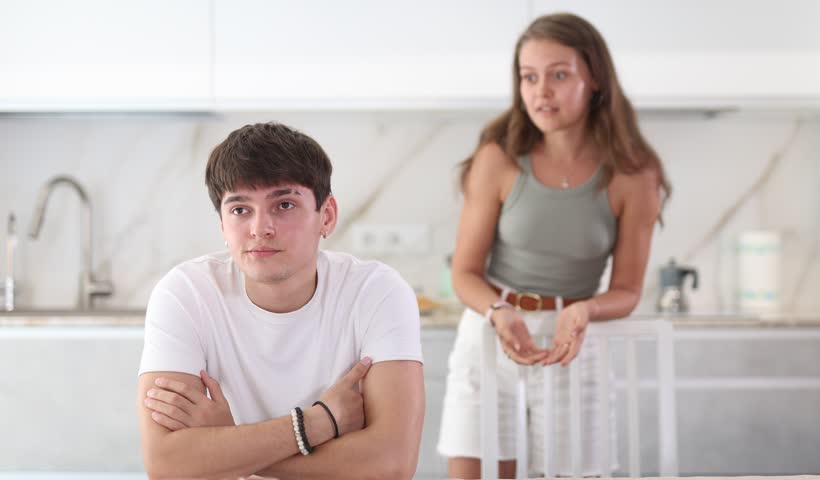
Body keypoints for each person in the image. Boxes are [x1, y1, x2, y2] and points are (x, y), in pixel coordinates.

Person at [436, 13, 671, 479]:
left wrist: (584, 311)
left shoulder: (633, 174)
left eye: (559, 75)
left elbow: (626, 289)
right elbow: (464, 272)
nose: (541, 91)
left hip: (572, 342)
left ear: (595, 79)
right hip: (492, 332)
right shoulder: (497, 158)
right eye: (529, 77)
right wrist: (499, 312)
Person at [136, 122, 425, 479]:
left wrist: (227, 443)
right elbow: (166, 464)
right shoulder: (185, 293)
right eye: (240, 209)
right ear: (223, 225)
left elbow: (392, 466)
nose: (260, 228)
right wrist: (318, 423)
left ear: (327, 215)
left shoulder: (377, 291)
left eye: (284, 205)